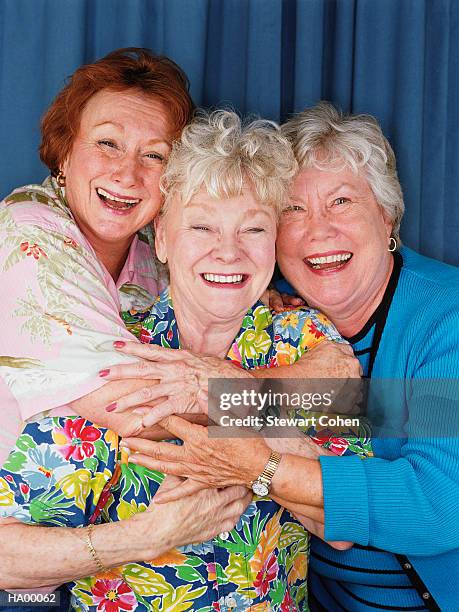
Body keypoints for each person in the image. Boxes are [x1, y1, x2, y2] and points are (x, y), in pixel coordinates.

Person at [0, 110, 364, 610]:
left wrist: (231, 418)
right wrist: (146, 536)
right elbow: (9, 563)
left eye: (253, 230)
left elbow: (345, 525)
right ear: (163, 240)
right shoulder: (119, 351)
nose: (228, 252)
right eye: (202, 226)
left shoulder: (307, 341)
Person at [116, 103, 459, 611]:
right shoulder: (268, 309)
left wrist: (257, 462)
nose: (318, 231)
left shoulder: (441, 319)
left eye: (341, 201)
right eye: (293, 211)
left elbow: (436, 507)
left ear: (387, 216)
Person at [0, 48, 250, 595]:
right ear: (64, 154)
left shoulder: (152, 261)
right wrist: (312, 398)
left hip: (75, 568)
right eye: (107, 142)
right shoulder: (27, 235)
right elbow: (137, 410)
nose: (127, 172)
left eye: (155, 156)